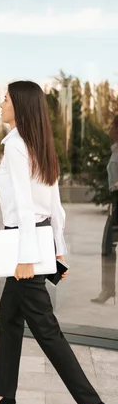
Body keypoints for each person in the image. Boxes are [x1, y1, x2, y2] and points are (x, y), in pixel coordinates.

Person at [0, 81, 115, 404]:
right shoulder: (36, 144)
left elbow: (25, 206)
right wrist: (57, 246)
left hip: (24, 246)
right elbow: (53, 205)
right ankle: (2, 395)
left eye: (5, 98)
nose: (0, 103)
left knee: (45, 329)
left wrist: (27, 257)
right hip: (33, 240)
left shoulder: (18, 147)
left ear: (19, 106)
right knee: (9, 317)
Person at [92, 115, 118, 304]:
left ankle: (107, 290)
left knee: (108, 246)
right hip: (115, 202)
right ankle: (108, 289)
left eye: (112, 125)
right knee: (108, 246)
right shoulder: (115, 150)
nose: (109, 128)